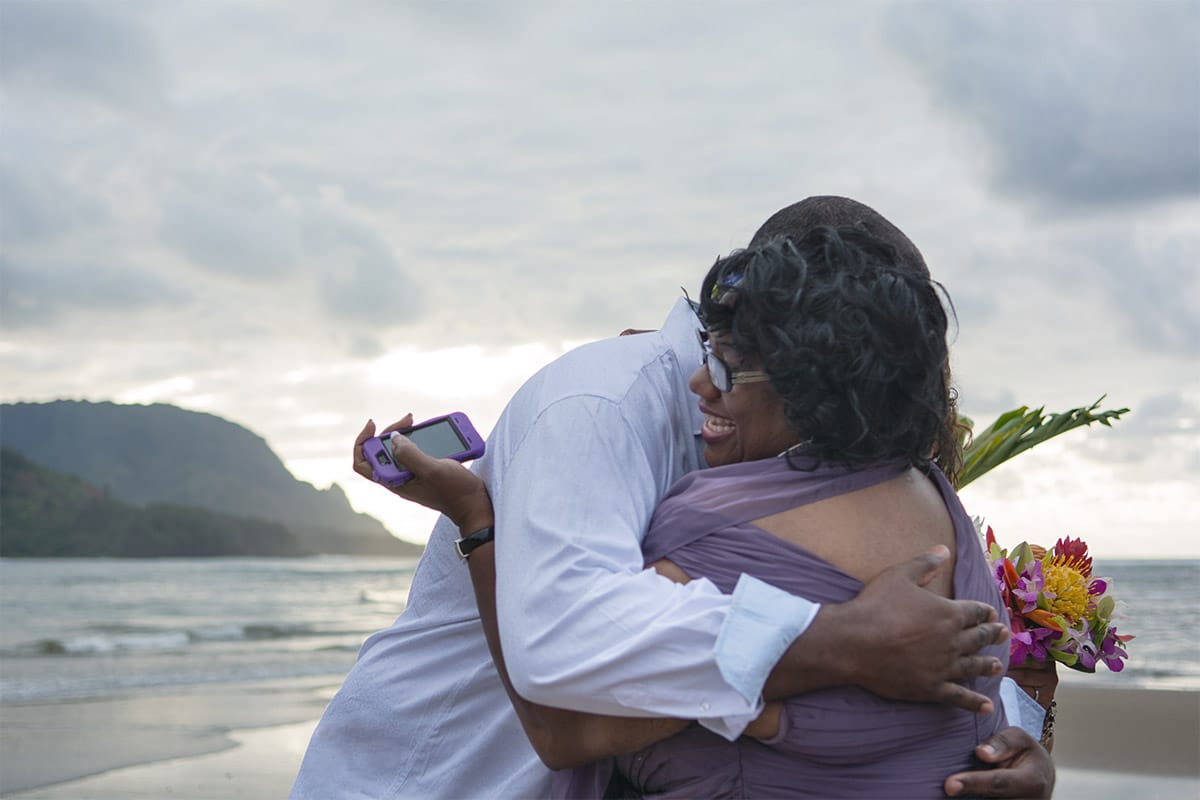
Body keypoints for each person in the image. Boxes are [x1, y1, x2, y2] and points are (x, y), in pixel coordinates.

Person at [290, 197, 1053, 799]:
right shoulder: (598, 407)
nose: (707, 379)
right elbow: (565, 647)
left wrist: (1012, 735)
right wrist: (844, 640)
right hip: (440, 779)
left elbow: (929, 630)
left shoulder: (842, 474)